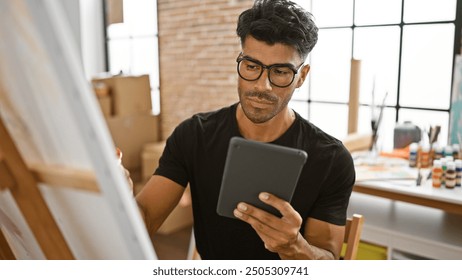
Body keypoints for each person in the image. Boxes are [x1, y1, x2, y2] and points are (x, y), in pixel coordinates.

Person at [135, 0, 355, 260]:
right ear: (239, 63)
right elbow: (145, 217)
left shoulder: (331, 159)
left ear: (302, 76)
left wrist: (294, 246)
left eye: (281, 72)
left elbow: (328, 262)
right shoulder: (194, 135)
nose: (263, 86)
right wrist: (117, 198)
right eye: (252, 67)